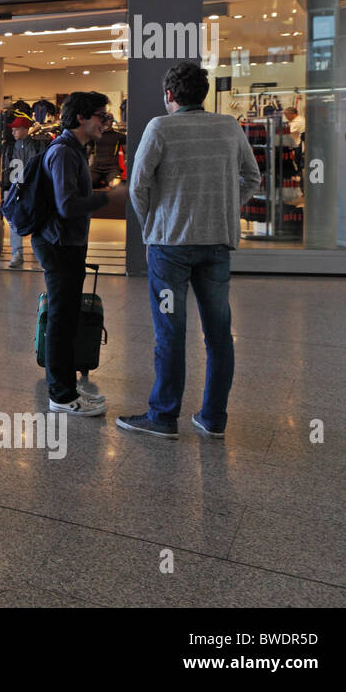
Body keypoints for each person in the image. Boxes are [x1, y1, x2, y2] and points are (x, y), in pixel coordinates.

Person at [119, 62, 262, 439]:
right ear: (204, 92)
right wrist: (229, 208)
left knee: (170, 330)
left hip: (170, 250)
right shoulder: (229, 127)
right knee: (219, 333)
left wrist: (152, 228)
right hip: (217, 246)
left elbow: (138, 186)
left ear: (169, 95)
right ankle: (213, 417)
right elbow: (253, 178)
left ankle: (163, 417)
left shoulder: (160, 127)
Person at [34, 91, 127, 416]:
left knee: (68, 316)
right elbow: (67, 205)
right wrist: (109, 199)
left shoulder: (73, 149)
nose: (107, 121)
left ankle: (68, 390)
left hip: (67, 244)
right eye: (101, 115)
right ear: (81, 118)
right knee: (61, 319)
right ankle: (60, 397)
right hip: (58, 246)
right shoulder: (63, 152)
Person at [1, 115, 45, 269]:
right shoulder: (10, 147)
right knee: (15, 221)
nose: (13, 132)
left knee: (37, 220)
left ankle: (37, 251)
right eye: (12, 129)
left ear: (26, 130)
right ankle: (17, 253)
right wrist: (7, 189)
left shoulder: (38, 146)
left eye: (16, 129)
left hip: (32, 189)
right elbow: (9, 169)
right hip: (16, 188)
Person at [89, 112, 126, 188]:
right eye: (103, 120)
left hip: (112, 168)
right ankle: (100, 183)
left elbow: (127, 154)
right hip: (96, 168)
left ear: (112, 121)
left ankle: (104, 182)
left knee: (117, 186)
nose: (105, 122)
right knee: (86, 184)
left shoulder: (120, 136)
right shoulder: (94, 136)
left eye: (108, 119)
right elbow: (86, 153)